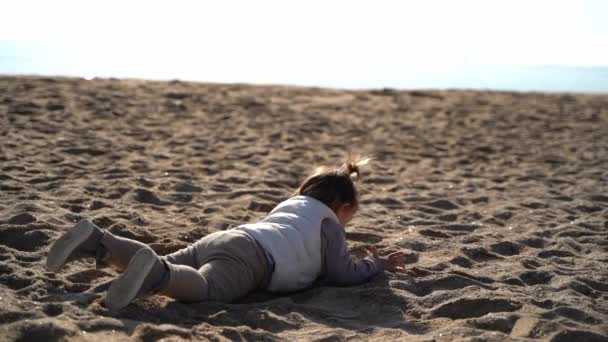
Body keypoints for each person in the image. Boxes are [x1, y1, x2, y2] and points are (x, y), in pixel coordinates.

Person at [46, 158, 406, 311]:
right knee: (206, 288)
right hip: (251, 260)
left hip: (226, 238)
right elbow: (341, 272)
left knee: (165, 260)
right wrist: (374, 264)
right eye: (350, 217)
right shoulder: (330, 223)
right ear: (342, 208)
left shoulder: (290, 206)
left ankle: (96, 240)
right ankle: (158, 276)